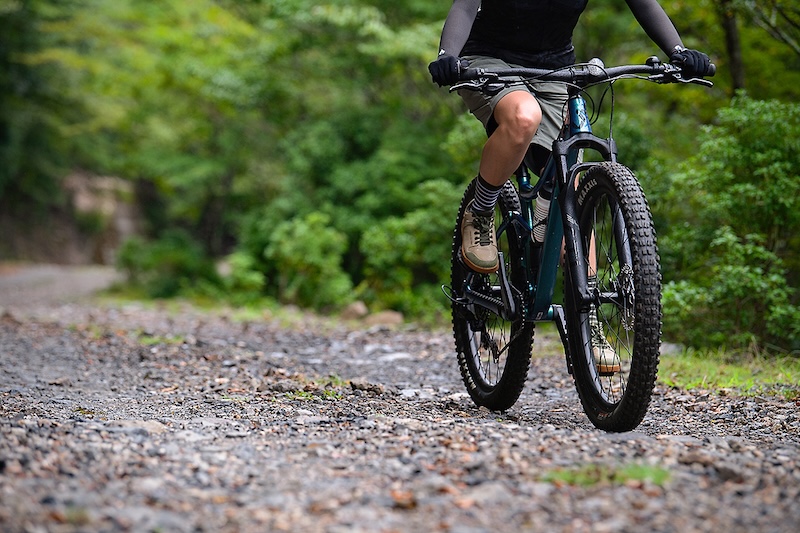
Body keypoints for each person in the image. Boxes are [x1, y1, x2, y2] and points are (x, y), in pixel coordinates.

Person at [429, 0, 713, 373]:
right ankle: (481, 209)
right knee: (523, 118)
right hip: (491, 64)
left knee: (573, 186)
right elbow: (466, 6)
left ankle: (589, 321)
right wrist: (447, 55)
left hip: (557, 68)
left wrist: (677, 51)